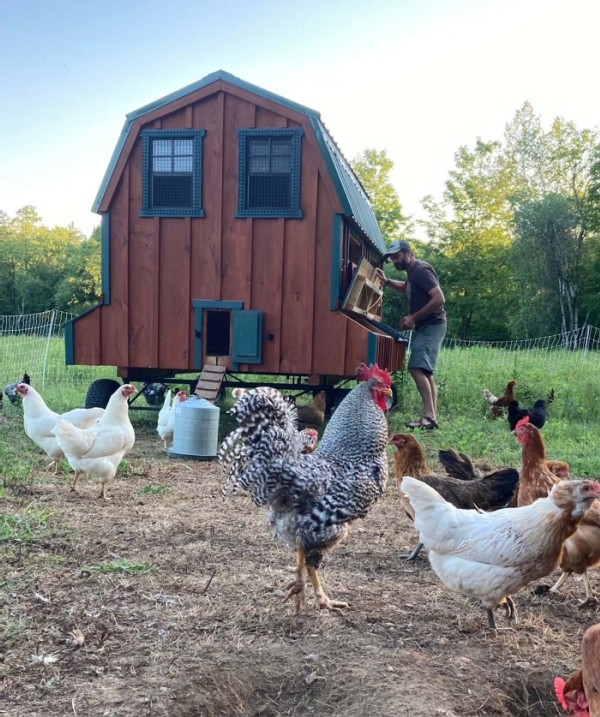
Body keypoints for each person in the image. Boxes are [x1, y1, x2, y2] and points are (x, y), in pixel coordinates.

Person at [375, 240, 446, 430]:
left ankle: (429, 417)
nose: (395, 261)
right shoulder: (412, 273)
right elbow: (406, 287)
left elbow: (439, 298)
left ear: (409, 253)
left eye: (397, 256)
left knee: (416, 368)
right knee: (426, 371)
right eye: (392, 259)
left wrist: (413, 317)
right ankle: (431, 418)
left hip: (432, 324)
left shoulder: (421, 270)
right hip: (428, 325)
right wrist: (388, 282)